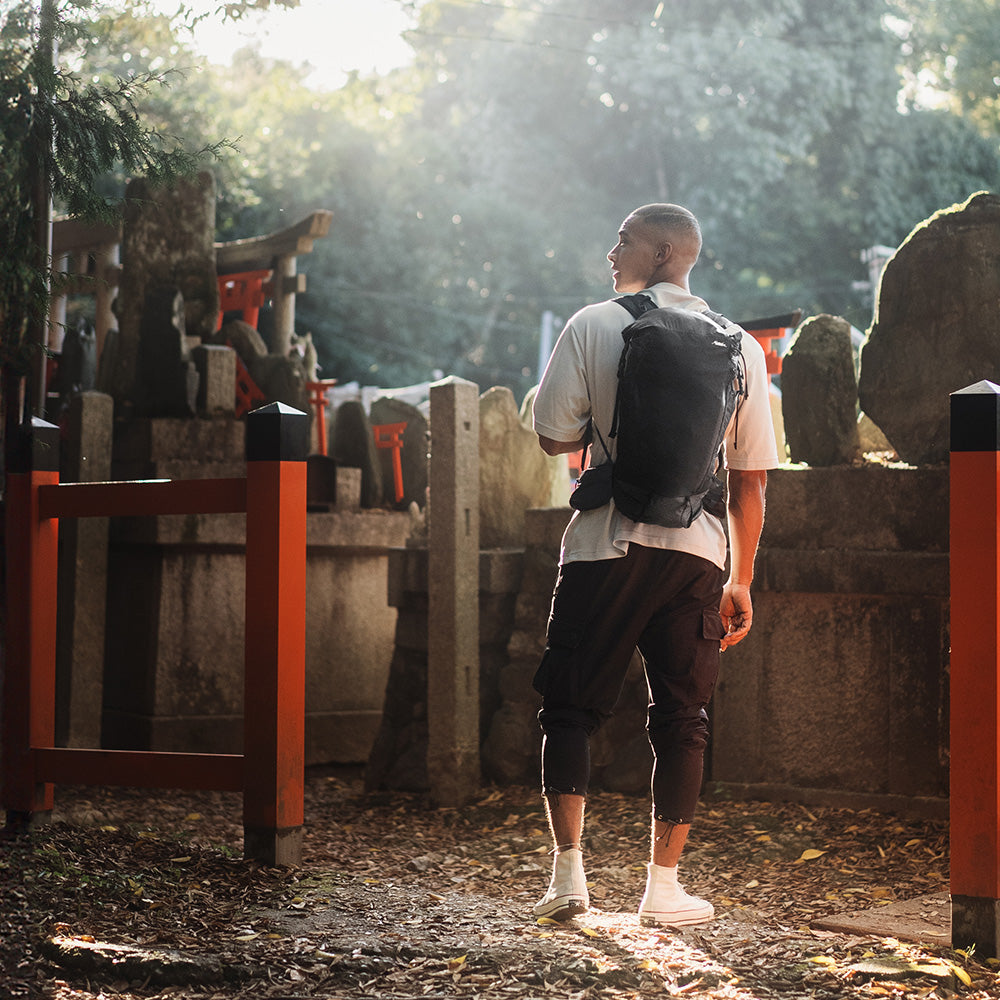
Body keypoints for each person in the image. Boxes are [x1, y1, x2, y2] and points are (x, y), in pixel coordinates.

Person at [530, 203, 779, 927]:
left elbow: (551, 438)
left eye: (625, 239)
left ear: (664, 250)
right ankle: (663, 889)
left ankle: (569, 878)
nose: (612, 251)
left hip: (605, 542)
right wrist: (742, 579)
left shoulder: (594, 324)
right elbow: (751, 479)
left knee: (570, 704)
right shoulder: (741, 347)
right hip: (698, 554)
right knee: (684, 716)